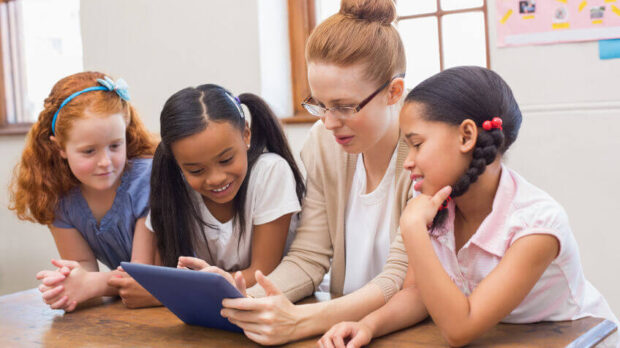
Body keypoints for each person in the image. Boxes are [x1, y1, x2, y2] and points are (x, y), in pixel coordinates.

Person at [320, 66, 619, 347]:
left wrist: (412, 231)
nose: (408, 161)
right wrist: (368, 325)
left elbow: (460, 329)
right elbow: (416, 293)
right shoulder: (437, 204)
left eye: (417, 144)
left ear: (466, 136)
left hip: (579, 339)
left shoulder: (536, 224)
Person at [216, 0, 413, 345]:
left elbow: (400, 277)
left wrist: (302, 320)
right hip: (340, 333)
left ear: (393, 92)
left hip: (407, 331)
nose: (328, 122)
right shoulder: (323, 143)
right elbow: (309, 256)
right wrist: (245, 300)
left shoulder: (424, 152)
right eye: (319, 104)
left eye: (344, 106)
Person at [9, 71, 157, 311]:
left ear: (126, 133)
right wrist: (67, 285)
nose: (105, 162)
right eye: (89, 151)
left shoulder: (146, 179)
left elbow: (144, 275)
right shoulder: (58, 197)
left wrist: (91, 285)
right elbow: (82, 267)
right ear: (59, 148)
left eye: (115, 146)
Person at [146, 84, 304, 289]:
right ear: (177, 164)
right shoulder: (174, 185)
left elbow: (262, 273)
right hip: (216, 305)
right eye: (196, 171)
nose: (216, 179)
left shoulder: (270, 172)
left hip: (278, 301)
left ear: (246, 134)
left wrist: (167, 290)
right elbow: (162, 271)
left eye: (226, 160)